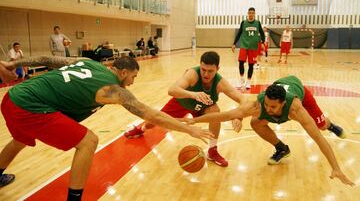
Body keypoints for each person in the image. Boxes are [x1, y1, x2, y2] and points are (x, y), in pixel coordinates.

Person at [0, 56, 214, 200]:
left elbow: (46, 60)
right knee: (89, 141)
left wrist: (12, 64)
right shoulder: (113, 90)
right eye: (132, 77)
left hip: (12, 98)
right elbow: (152, 114)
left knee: (20, 140)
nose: (132, 82)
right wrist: (190, 130)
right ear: (122, 72)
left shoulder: (88, 62)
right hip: (29, 107)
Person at [185, 75, 354, 186]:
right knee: (256, 122)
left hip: (300, 91)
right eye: (267, 104)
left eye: (273, 106)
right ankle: (282, 148)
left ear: (283, 104)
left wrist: (336, 168)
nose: (268, 108)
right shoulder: (258, 105)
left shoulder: (296, 109)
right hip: (281, 86)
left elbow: (318, 139)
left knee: (321, 126)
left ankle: (331, 125)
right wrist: (194, 120)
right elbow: (225, 115)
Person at [125, 51, 247, 167]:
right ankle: (142, 129)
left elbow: (243, 99)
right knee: (154, 121)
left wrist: (239, 117)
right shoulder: (193, 74)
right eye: (203, 70)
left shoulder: (220, 83)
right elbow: (171, 90)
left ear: (217, 69)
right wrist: (193, 94)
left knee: (215, 112)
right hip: (181, 103)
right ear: (200, 65)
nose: (206, 74)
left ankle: (212, 150)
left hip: (202, 108)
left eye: (210, 71)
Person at [232, 7, 265, 89]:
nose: (251, 14)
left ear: (254, 14)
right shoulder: (243, 22)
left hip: (253, 47)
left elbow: (262, 33)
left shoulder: (257, 23)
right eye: (249, 13)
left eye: (252, 13)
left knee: (251, 65)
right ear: (248, 13)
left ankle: (248, 82)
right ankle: (241, 79)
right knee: (241, 62)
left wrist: (263, 43)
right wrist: (234, 43)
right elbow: (239, 33)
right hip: (244, 45)